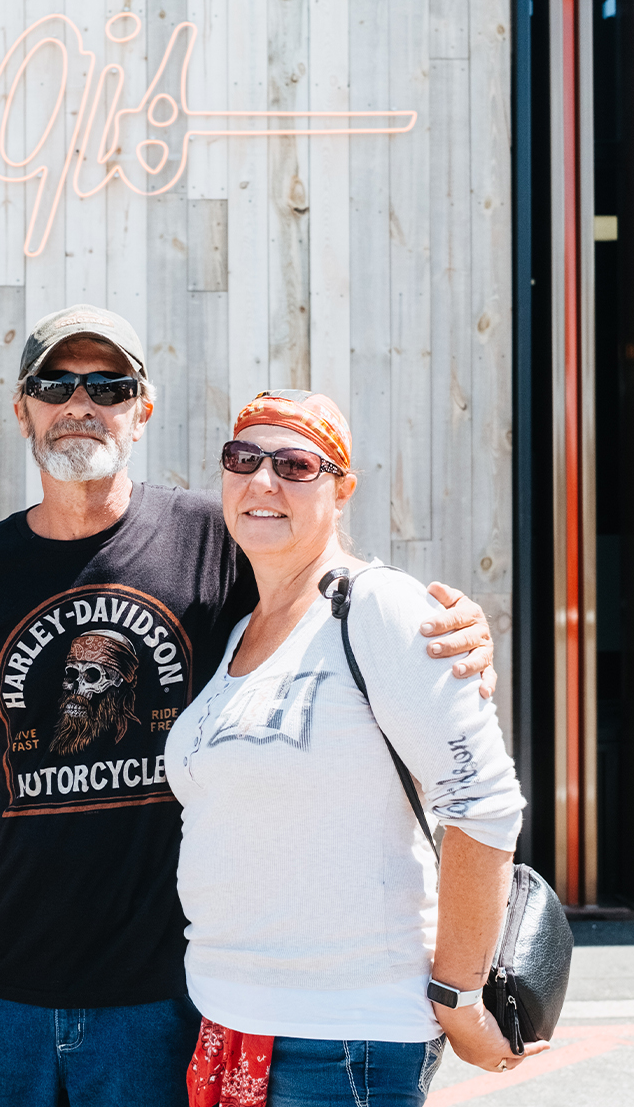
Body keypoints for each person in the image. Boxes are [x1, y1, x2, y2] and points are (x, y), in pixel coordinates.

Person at [0, 305, 499, 1107]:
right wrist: (20, 836)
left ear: (142, 409)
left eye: (109, 384)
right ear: (23, 407)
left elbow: (320, 578)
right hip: (4, 982)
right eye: (56, 383)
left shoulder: (217, 535)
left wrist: (450, 628)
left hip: (164, 991)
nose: (80, 402)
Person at [165, 391, 544, 1107]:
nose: (263, 480)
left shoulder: (378, 608)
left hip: (341, 1038)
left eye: (296, 463)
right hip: (228, 1021)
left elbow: (483, 803)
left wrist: (458, 996)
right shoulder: (238, 629)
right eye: (243, 458)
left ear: (342, 488)